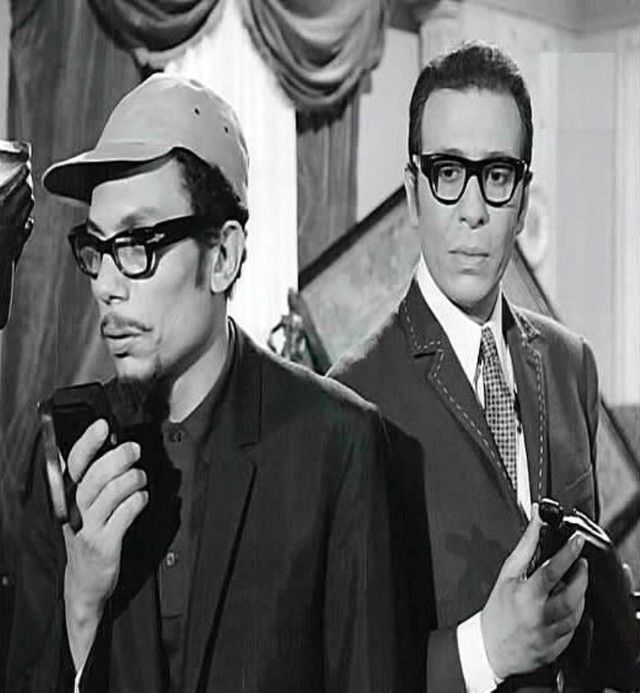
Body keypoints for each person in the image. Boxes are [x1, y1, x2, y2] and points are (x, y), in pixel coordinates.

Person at [6, 74, 396, 692]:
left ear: (223, 257)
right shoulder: (65, 448)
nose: (106, 284)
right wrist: (80, 603)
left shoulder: (336, 445)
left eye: (137, 243)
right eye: (97, 248)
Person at [331, 42, 604, 691]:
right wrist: (486, 649)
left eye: (497, 175)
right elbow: (343, 668)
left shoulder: (571, 362)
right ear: (412, 193)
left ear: (522, 198)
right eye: (448, 172)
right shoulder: (348, 400)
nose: (473, 209)